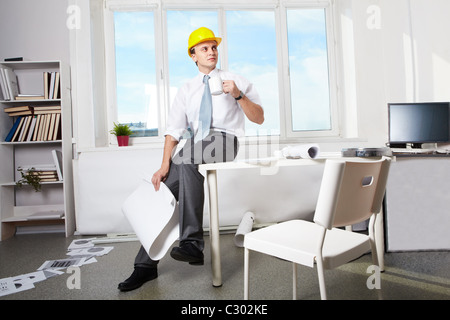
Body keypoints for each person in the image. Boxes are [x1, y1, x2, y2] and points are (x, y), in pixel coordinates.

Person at [118, 27, 264, 292]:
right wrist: (164, 165)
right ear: (193, 55)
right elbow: (174, 131)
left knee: (187, 160)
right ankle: (145, 267)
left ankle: (193, 243)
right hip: (193, 145)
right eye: (205, 48)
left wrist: (239, 95)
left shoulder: (234, 80)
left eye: (214, 47)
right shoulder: (186, 89)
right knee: (162, 195)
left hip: (224, 140)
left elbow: (259, 117)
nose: (211, 52)